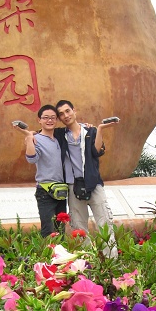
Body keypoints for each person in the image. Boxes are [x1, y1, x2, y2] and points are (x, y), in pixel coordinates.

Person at [54, 99, 119, 259]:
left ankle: (111, 262)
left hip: (94, 184)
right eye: (61, 114)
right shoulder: (61, 135)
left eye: (68, 111)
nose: (66, 115)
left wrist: (101, 129)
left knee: (105, 223)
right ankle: (87, 262)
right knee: (79, 227)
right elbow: (41, 133)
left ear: (74, 111)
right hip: (73, 186)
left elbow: (97, 151)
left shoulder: (90, 132)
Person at [13, 104, 69, 238]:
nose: (49, 120)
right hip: (45, 191)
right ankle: (47, 258)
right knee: (48, 231)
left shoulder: (58, 139)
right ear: (39, 120)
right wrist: (28, 136)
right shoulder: (36, 139)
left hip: (60, 190)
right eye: (46, 118)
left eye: (53, 118)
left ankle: (60, 258)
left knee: (60, 230)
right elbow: (32, 159)